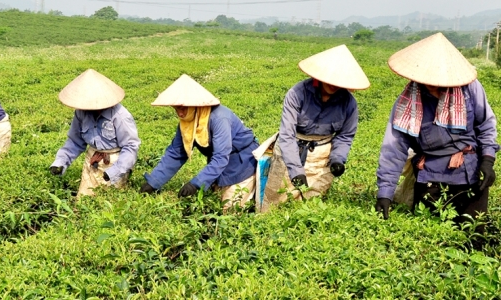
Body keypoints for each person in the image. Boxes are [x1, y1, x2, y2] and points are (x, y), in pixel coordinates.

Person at [375, 32, 498, 228]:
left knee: (473, 233)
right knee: (429, 230)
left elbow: (486, 124)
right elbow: (394, 147)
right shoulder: (408, 102)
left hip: (470, 173)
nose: (435, 85)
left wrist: (488, 160)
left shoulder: (470, 89)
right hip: (430, 175)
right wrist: (385, 193)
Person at [254, 45, 370, 212]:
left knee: (312, 207)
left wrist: (338, 158)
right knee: (276, 203)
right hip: (290, 150)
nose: (333, 84)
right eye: (330, 78)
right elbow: (287, 134)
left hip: (321, 155)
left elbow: (345, 136)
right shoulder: (297, 93)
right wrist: (295, 170)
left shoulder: (349, 103)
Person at [140, 74, 259, 209]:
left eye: (183, 107)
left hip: (242, 164)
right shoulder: (187, 122)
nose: (180, 113)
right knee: (211, 204)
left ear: (195, 104)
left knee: (230, 209)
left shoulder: (219, 118)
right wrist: (154, 182)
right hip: (221, 166)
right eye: (176, 108)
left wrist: (196, 183)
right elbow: (177, 153)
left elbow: (220, 158)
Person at [49, 69, 140, 197]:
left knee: (110, 204)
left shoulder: (120, 116)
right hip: (92, 159)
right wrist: (60, 162)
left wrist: (115, 171)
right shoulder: (81, 113)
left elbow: (131, 147)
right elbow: (75, 141)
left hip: (115, 162)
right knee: (84, 200)